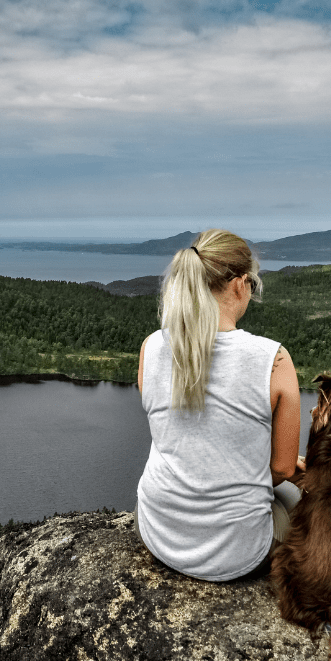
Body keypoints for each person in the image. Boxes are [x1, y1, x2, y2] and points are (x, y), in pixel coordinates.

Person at [134, 229, 305, 581]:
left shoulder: (151, 346)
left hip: (156, 531)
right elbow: (283, 471)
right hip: (237, 554)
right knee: (299, 502)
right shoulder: (274, 360)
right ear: (241, 285)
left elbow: (174, 432)